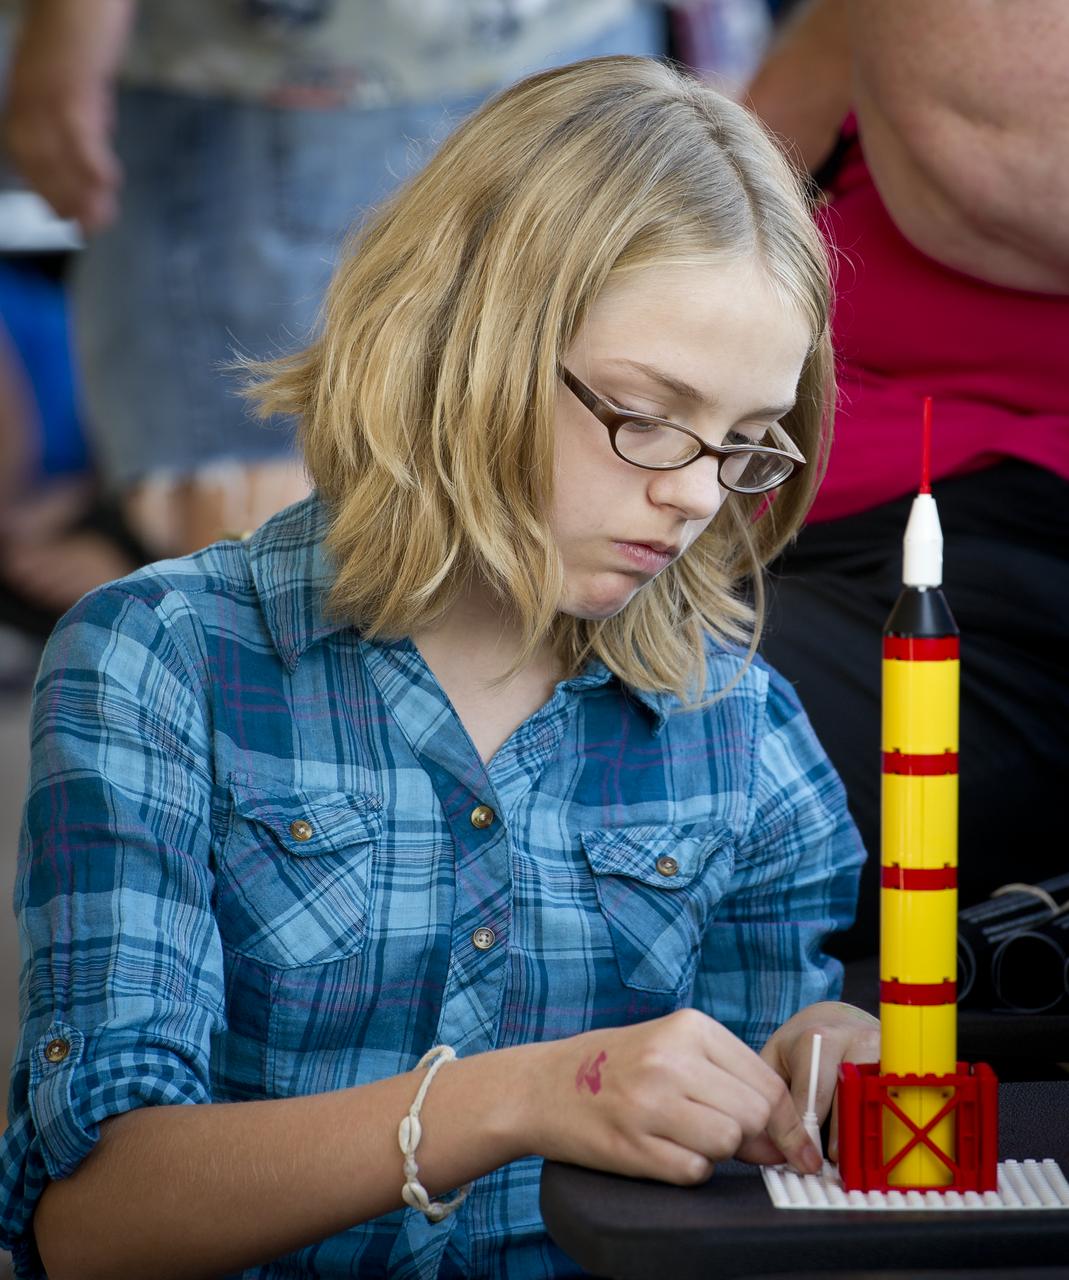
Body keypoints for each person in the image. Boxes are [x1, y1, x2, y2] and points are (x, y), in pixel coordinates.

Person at [0, 56, 876, 1280]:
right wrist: (518, 1097)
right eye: (644, 410)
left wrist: (813, 1065)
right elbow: (95, 1220)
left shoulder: (738, 720)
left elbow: (742, 1191)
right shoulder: (163, 662)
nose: (690, 493)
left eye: (742, 442)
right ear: (464, 338)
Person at [0, 0, 667, 619]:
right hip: (547, 45)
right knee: (508, 470)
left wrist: (72, 21)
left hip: (290, 67)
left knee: (257, 526)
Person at [747, 0, 1069, 961]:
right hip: (766, 441)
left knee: (613, 757)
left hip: (1001, 548)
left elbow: (975, 141)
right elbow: (779, 122)